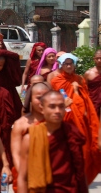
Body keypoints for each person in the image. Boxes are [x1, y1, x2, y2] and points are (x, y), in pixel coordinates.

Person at [17, 91, 88, 193]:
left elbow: (81, 171)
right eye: (52, 107)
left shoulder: (72, 134)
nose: (57, 111)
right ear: (42, 108)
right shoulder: (31, 138)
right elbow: (23, 178)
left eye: (61, 106)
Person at [49, 53, 101, 184]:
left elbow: (85, 98)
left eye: (70, 63)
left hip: (80, 118)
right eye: (66, 64)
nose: (68, 66)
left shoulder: (79, 79)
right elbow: (57, 98)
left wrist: (77, 91)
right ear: (61, 65)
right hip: (64, 118)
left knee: (82, 147)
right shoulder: (56, 80)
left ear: (74, 65)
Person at [11, 81, 49, 192]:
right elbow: (16, 155)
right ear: (31, 99)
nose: (42, 101)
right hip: (27, 176)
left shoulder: (55, 123)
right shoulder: (20, 124)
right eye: (38, 98)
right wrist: (27, 176)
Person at [0, 49, 23, 120]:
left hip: (7, 97)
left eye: (0, 65)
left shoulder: (6, 73)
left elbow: (15, 56)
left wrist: (0, 52)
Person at [84, 49, 101, 117]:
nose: (99, 60)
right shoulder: (88, 73)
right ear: (94, 59)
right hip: (93, 103)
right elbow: (84, 90)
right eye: (97, 58)